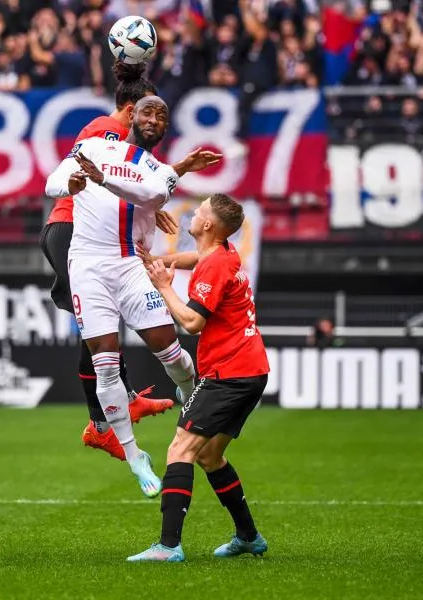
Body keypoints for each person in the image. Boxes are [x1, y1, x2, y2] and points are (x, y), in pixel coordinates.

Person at [44, 96, 221, 497]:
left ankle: (187, 391)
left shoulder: (156, 171)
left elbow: (153, 196)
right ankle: (134, 455)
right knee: (105, 364)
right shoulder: (93, 148)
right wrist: (68, 184)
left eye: (162, 115)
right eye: (147, 112)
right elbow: (52, 180)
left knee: (171, 352)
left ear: (164, 129)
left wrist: (103, 180)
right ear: (132, 118)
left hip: (130, 266)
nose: (154, 118)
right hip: (87, 266)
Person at [39, 62, 178, 462]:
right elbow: (82, 183)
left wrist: (151, 210)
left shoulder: (115, 135)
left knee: (103, 323)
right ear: (132, 108)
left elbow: (129, 190)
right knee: (96, 325)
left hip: (82, 232)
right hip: (73, 230)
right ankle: (101, 425)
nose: (149, 121)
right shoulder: (106, 132)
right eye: (146, 111)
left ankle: (123, 401)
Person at [127, 193, 270, 563]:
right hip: (251, 370)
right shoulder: (223, 254)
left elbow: (192, 322)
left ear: (208, 225)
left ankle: (168, 547)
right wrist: (156, 261)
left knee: (180, 450)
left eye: (201, 209)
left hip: (229, 373)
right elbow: (193, 259)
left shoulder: (215, 267)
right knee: (209, 456)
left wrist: (163, 286)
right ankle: (249, 537)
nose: (194, 212)